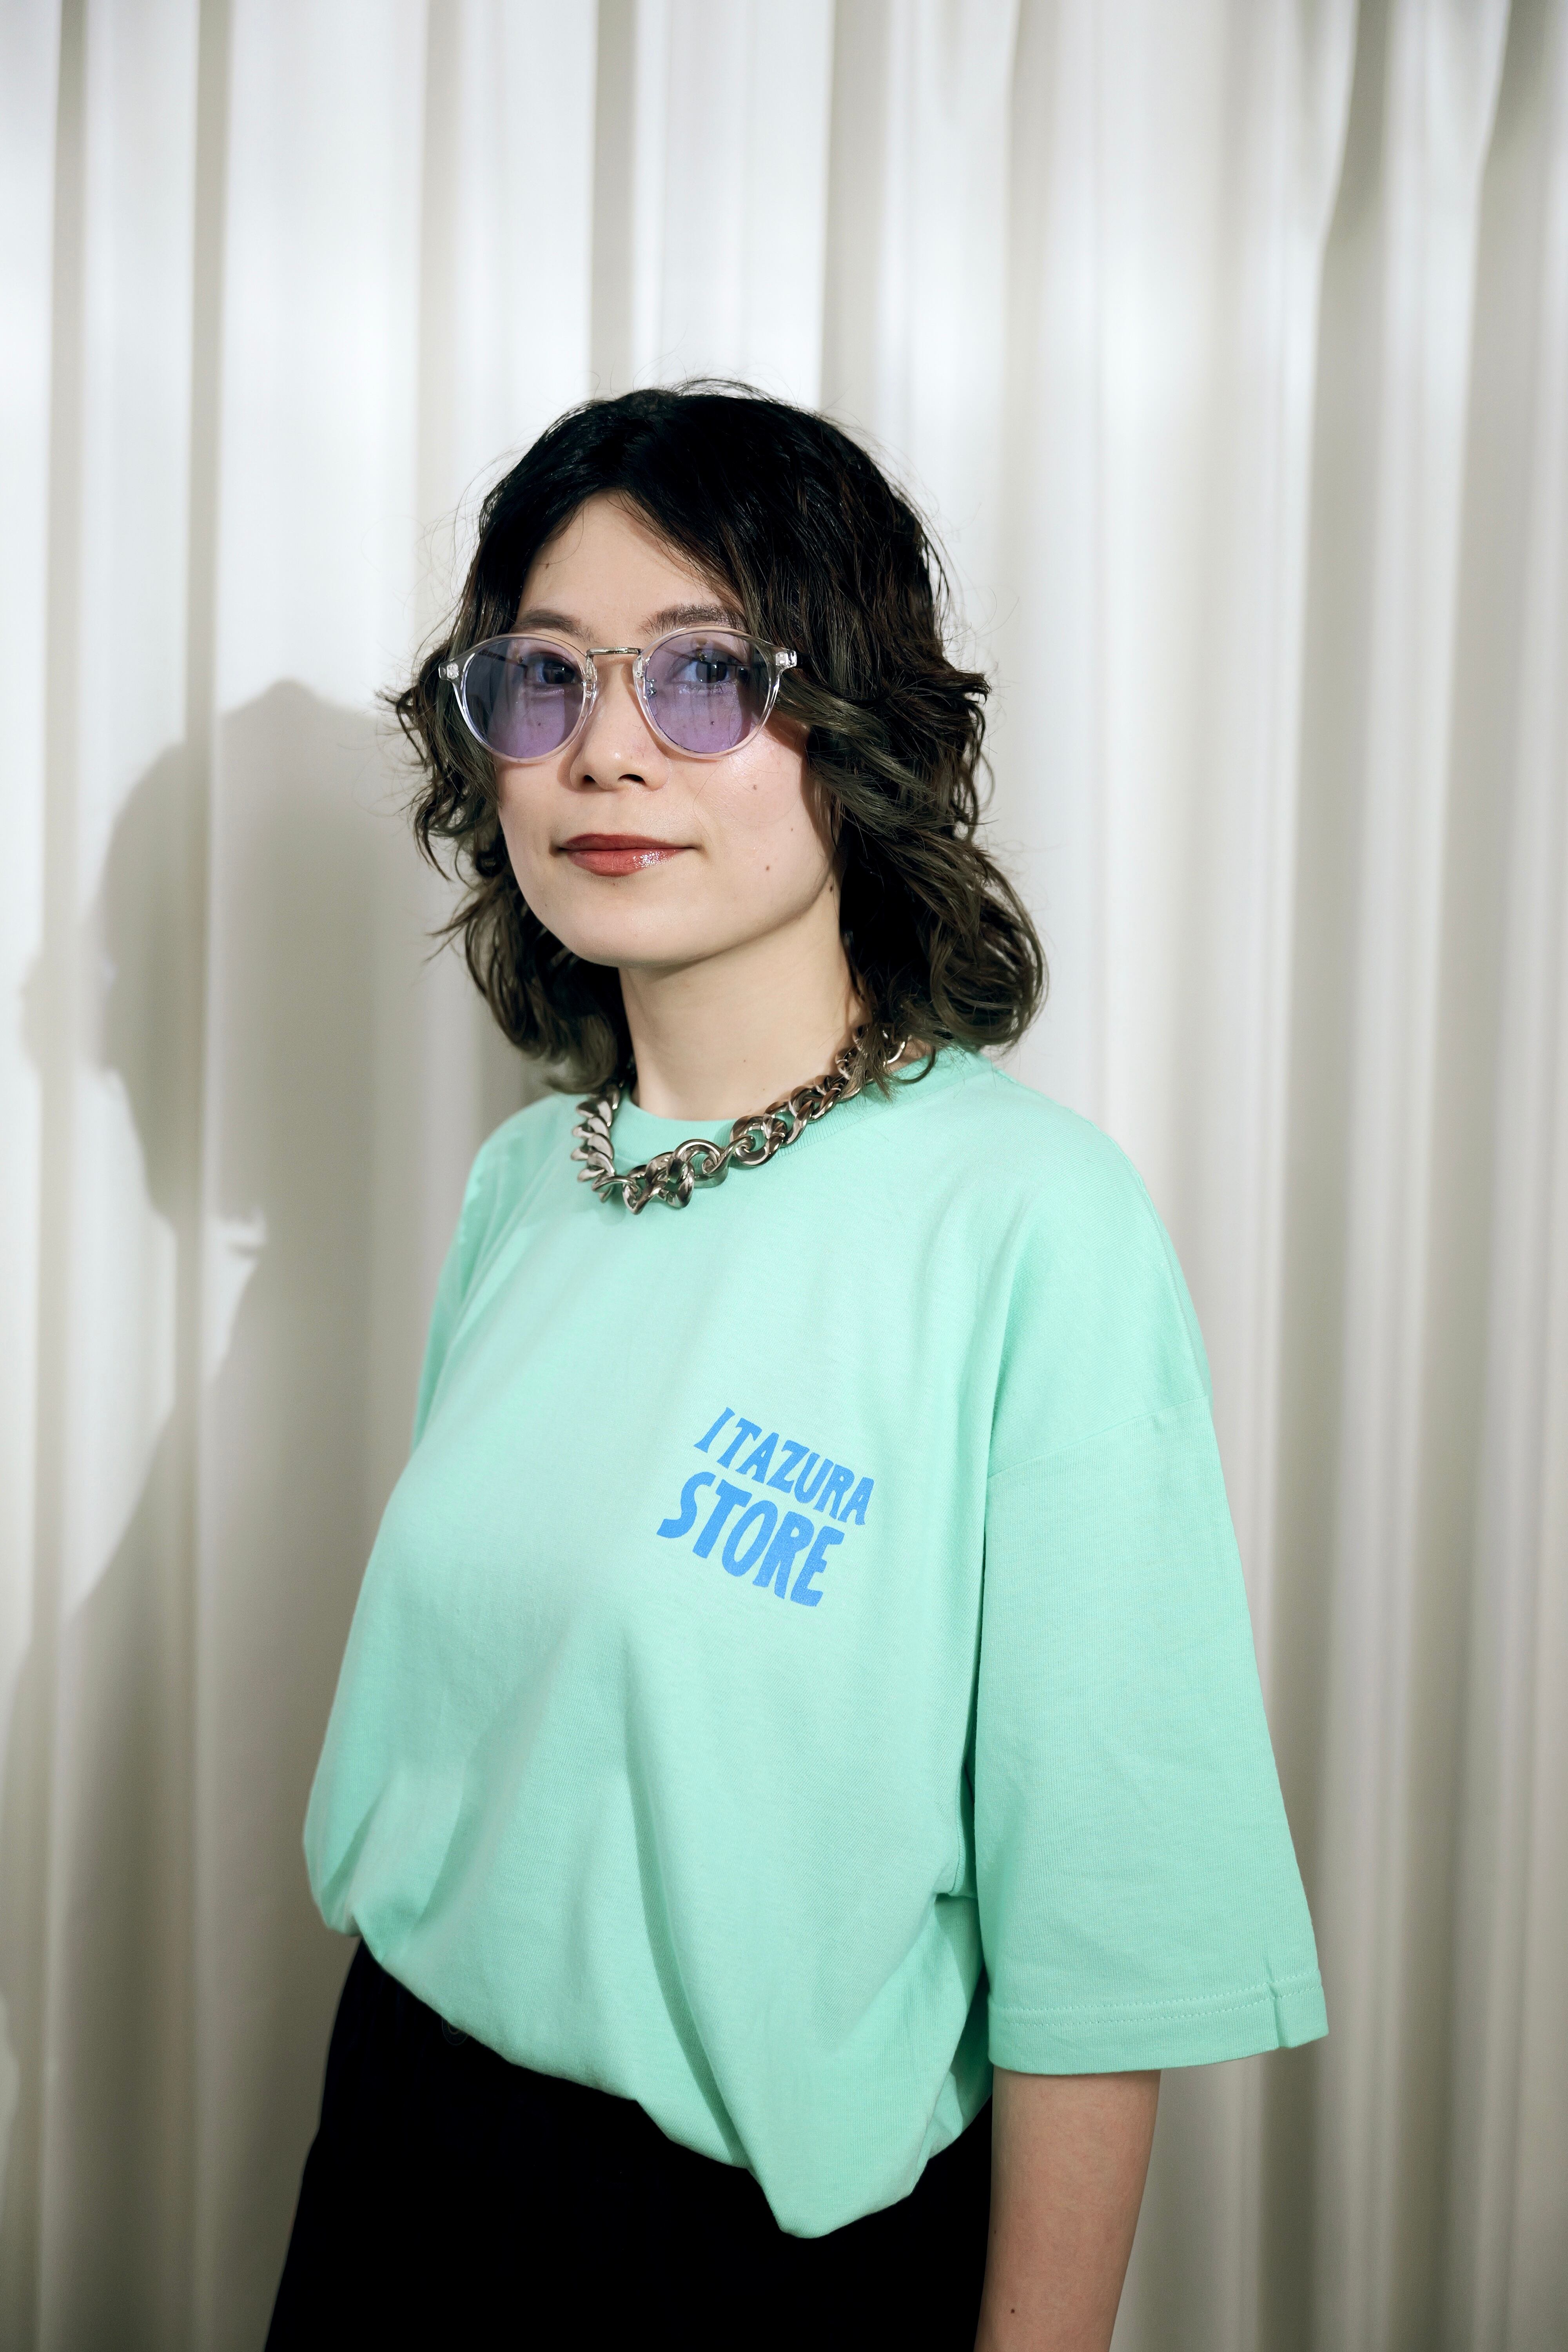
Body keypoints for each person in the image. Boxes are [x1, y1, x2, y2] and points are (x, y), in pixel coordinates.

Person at [266, 384, 1325, 2349]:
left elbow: (1098, 1928)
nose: (604, 751)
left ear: (854, 731)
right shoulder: (528, 1184)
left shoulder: (1028, 1225)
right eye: (544, 679)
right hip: (398, 2151)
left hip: (744, 2259)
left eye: (701, 677)